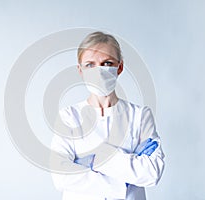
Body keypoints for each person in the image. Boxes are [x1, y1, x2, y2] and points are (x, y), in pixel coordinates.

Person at [50, 31, 165, 200]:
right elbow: (61, 177)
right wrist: (124, 179)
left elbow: (152, 172)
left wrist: (97, 160)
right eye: (90, 64)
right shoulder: (69, 117)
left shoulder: (139, 116)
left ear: (119, 67)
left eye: (107, 63)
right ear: (80, 69)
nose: (99, 71)